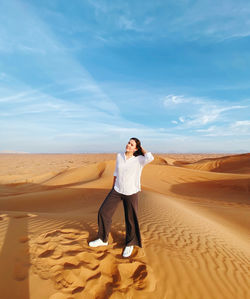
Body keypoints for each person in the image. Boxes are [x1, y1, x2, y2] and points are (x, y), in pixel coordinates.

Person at [88, 137, 154, 258]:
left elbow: (150, 157)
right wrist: (113, 187)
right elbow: (116, 173)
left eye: (132, 144)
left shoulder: (139, 159)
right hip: (117, 190)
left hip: (131, 192)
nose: (128, 145)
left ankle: (130, 244)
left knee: (130, 219)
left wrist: (140, 147)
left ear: (136, 148)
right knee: (103, 212)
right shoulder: (119, 156)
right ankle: (103, 239)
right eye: (129, 142)